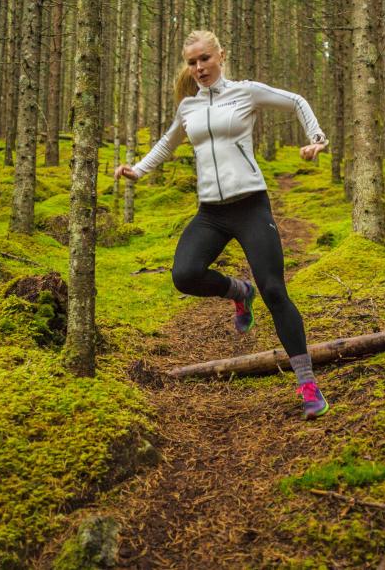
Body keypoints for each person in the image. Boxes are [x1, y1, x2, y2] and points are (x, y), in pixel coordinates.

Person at [115, 30, 330, 420]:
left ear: (220, 56)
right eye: (192, 62)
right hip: (211, 212)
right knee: (184, 274)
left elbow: (295, 100)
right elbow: (169, 142)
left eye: (205, 59)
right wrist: (138, 170)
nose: (198, 68)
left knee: (275, 291)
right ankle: (237, 291)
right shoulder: (189, 108)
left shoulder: (245, 92)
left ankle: (307, 383)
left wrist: (316, 139)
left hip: (250, 205)